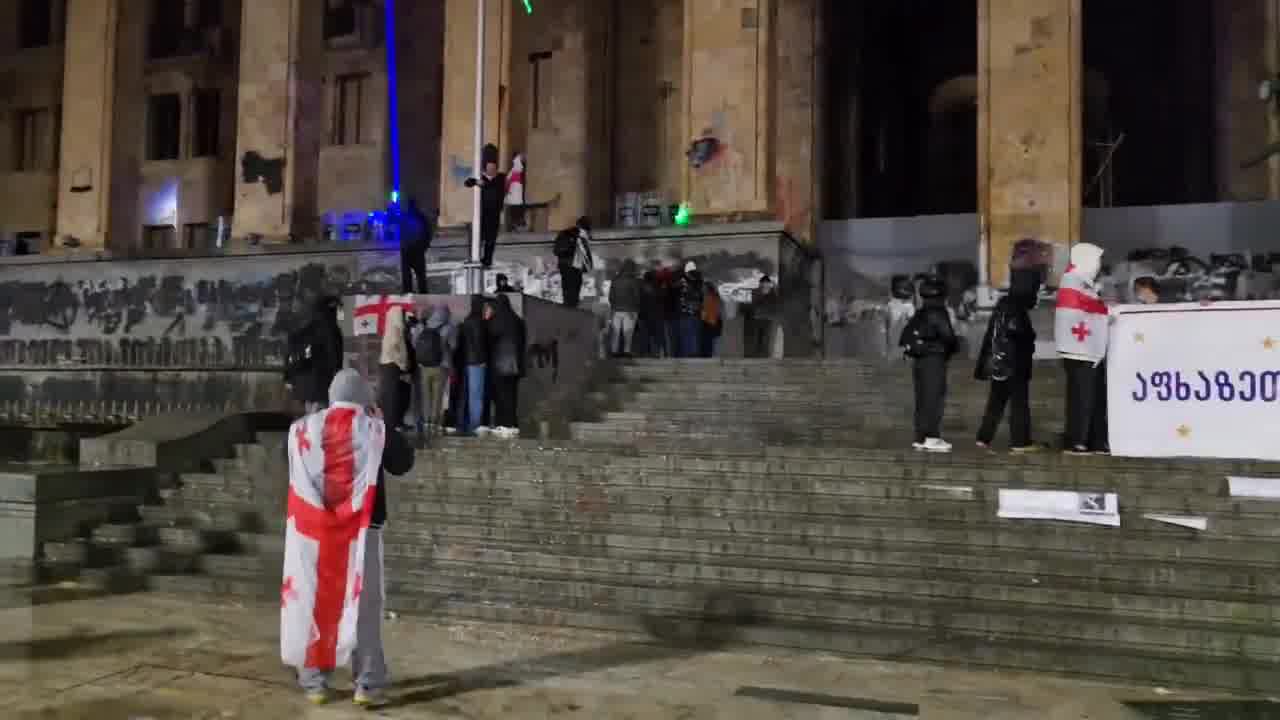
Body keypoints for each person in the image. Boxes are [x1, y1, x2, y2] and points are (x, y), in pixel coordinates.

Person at [283, 369, 414, 707]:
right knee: (365, 606)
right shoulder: (373, 429)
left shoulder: (302, 429)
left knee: (317, 603)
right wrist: (385, 422)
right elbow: (402, 463)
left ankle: (314, 681)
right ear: (363, 396)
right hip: (363, 531)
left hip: (315, 535)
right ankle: (367, 684)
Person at [975, 268, 1041, 452]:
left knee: (996, 402)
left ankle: (983, 438)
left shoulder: (1004, 304)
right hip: (1014, 364)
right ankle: (1020, 441)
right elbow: (1017, 334)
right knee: (1019, 403)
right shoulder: (1016, 308)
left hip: (1000, 363)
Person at [1055, 242, 1110, 455]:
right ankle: (1077, 439)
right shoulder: (1072, 281)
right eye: (1096, 260)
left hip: (1089, 349)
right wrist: (1107, 312)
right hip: (1078, 350)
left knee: (1095, 397)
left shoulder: (1085, 283)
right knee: (1082, 398)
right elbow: (1087, 309)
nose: (1098, 265)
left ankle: (1096, 440)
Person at [900, 275, 958, 452]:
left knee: (922, 399)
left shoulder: (920, 312)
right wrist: (951, 349)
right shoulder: (939, 312)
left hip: (920, 361)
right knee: (934, 398)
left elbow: (904, 336)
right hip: (934, 360)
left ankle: (920, 437)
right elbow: (948, 337)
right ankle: (932, 437)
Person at [285, 296, 344, 415]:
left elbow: (289, 355)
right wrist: (337, 378)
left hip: (302, 385)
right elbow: (335, 358)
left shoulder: (303, 331)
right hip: (321, 385)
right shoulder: (331, 329)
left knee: (310, 419)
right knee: (320, 421)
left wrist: (288, 378)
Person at [487, 295, 527, 437]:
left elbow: (488, 340)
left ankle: (503, 424)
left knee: (501, 396)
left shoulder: (495, 320)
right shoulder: (518, 320)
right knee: (512, 395)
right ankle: (512, 424)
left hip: (499, 364)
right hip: (516, 365)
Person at [416, 305, 456, 438]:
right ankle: (435, 423)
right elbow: (454, 345)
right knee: (438, 396)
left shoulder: (422, 326)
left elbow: (415, 343)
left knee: (426, 395)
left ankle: (426, 422)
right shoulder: (449, 327)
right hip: (441, 366)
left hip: (424, 366)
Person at [463, 144, 505, 267]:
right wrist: (476, 181)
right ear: (485, 167)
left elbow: (497, 188)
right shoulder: (480, 178)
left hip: (494, 213)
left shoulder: (501, 178)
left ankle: (487, 260)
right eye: (489, 167)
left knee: (490, 240)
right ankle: (473, 257)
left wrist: (483, 184)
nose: (492, 170)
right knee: (477, 237)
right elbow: (467, 182)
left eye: (494, 167)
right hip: (482, 214)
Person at [459, 295, 491, 435]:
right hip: (476, 362)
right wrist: (483, 360)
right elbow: (479, 343)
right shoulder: (478, 321)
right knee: (476, 396)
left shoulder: (466, 320)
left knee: (468, 395)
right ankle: (475, 426)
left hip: (466, 362)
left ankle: (465, 425)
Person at [554, 217, 594, 308]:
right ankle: (570, 312)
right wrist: (588, 268)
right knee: (572, 294)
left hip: (567, 267)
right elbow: (585, 253)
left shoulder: (568, 234)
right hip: (571, 268)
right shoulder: (577, 235)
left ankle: (569, 311)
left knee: (569, 293)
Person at [608, 260, 641, 357]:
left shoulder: (615, 280)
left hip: (616, 311)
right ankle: (626, 351)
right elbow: (636, 297)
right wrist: (636, 309)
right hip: (630, 311)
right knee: (628, 333)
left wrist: (614, 307)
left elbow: (611, 297)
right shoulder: (633, 280)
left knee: (615, 333)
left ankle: (614, 351)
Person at [398, 197, 432, 294]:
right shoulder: (421, 217)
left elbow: (400, 233)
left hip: (407, 251)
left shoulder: (404, 217)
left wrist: (403, 246)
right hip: (417, 250)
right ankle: (423, 295)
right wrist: (424, 247)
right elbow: (427, 234)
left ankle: (408, 295)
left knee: (407, 278)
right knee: (421, 277)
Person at [676, 261, 704, 358]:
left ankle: (689, 353)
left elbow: (680, 292)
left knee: (687, 334)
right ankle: (694, 353)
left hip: (686, 312)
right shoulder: (699, 281)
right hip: (695, 312)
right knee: (694, 334)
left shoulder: (685, 281)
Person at [750, 276, 782, 358]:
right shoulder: (755, 291)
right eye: (763, 283)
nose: (765, 285)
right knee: (758, 337)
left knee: (767, 337)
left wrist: (773, 291)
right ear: (760, 284)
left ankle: (766, 354)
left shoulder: (772, 292)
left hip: (768, 318)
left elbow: (776, 302)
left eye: (767, 283)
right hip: (758, 317)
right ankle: (757, 354)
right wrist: (762, 294)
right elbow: (754, 303)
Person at [637, 270, 665, 358]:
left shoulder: (641, 289)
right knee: (656, 336)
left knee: (645, 336)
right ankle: (656, 353)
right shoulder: (658, 288)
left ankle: (645, 353)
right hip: (656, 315)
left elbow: (638, 302)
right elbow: (662, 300)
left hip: (644, 316)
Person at [505, 152, 527, 231]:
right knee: (515, 210)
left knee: (516, 209)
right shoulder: (515, 172)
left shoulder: (517, 171)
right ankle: (514, 224)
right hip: (514, 196)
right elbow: (508, 182)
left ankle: (515, 224)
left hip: (517, 195)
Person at [700, 281, 723, 358]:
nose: (702, 289)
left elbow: (704, 314)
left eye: (703, 287)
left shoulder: (707, 298)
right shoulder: (716, 297)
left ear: (707, 289)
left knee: (708, 347)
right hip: (716, 324)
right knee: (715, 346)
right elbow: (718, 312)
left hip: (709, 324)